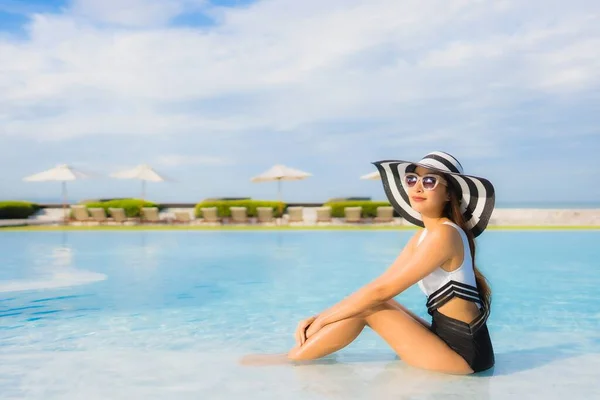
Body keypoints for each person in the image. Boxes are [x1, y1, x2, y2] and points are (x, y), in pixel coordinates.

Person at [243, 151, 496, 374]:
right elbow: (380, 285)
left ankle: (293, 359)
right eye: (412, 179)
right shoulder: (424, 235)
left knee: (372, 307)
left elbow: (380, 292)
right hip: (446, 340)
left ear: (449, 194)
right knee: (378, 303)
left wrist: (321, 322)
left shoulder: (445, 233)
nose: (417, 187)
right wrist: (320, 316)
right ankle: (299, 354)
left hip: (465, 358)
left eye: (429, 181)